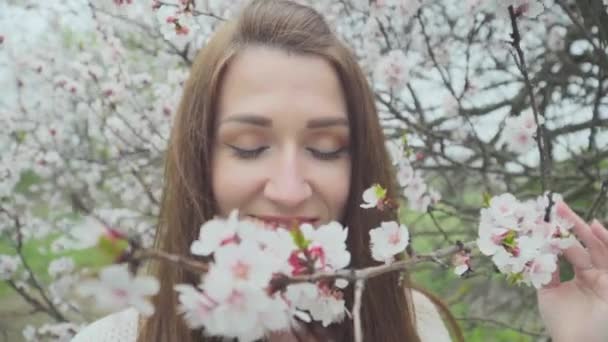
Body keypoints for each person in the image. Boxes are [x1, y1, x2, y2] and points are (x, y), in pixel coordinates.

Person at [72, 0, 608, 341]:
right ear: (198, 162)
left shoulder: (411, 325)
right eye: (249, 146)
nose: (288, 189)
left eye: (327, 150)